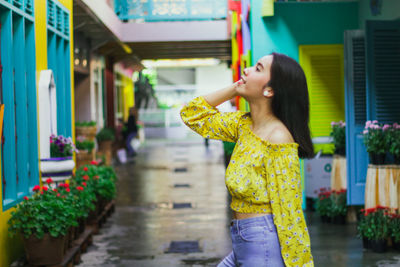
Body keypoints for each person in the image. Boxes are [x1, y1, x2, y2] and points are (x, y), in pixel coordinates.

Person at [180, 53, 314, 267]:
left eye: (258, 68)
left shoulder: (278, 138)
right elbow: (192, 114)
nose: (247, 70)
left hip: (263, 243)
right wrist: (236, 87)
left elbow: (289, 208)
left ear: (269, 90)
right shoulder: (244, 126)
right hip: (244, 240)